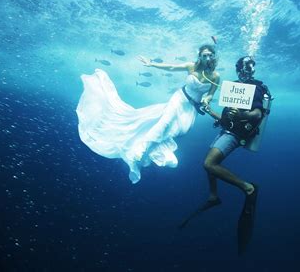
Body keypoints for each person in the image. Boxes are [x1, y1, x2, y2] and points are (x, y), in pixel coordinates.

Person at [76, 44, 220, 184]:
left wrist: (206, 100)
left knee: (178, 131)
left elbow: (210, 95)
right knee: (165, 122)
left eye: (210, 55)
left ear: (213, 56)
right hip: (179, 99)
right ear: (199, 56)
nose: (207, 57)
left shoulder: (215, 76)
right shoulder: (191, 66)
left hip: (191, 108)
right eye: (204, 55)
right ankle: (141, 149)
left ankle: (155, 150)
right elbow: (171, 67)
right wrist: (152, 64)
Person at [179, 56, 271, 255]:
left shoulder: (256, 88)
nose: (245, 71)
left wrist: (240, 116)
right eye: (242, 67)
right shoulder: (234, 88)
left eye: (249, 67)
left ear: (253, 70)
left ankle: (248, 188)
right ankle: (213, 196)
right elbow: (226, 119)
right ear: (238, 69)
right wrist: (210, 111)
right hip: (227, 131)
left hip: (237, 134)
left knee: (209, 164)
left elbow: (256, 115)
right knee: (212, 161)